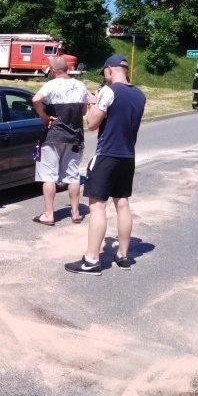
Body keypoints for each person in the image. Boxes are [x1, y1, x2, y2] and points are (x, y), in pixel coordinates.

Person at [65, 54, 146, 275]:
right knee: (123, 204)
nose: (105, 78)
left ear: (110, 70)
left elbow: (91, 124)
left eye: (105, 74)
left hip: (107, 155)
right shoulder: (139, 94)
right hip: (127, 156)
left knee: (97, 206)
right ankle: (124, 255)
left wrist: (93, 103)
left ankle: (91, 260)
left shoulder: (109, 92)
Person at [31, 56, 89, 225]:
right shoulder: (80, 85)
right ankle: (76, 213)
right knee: (73, 176)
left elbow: (35, 99)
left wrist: (43, 116)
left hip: (53, 136)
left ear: (54, 71)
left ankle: (49, 215)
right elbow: (84, 112)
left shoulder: (51, 85)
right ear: (68, 70)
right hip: (74, 137)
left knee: (49, 176)